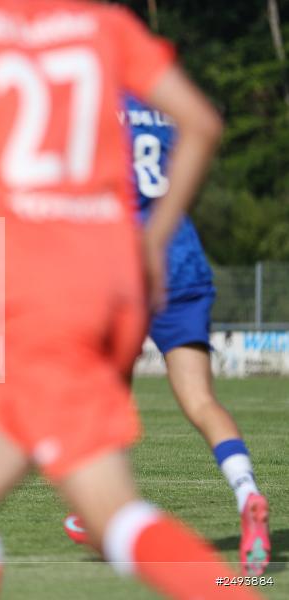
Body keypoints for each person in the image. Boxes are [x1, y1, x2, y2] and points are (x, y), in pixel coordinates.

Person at [0, 1, 262, 598]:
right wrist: (155, 237)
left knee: (111, 513)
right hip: (115, 281)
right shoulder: (103, 24)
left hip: (48, 297)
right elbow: (201, 123)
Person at [63, 94, 270, 576]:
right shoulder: (167, 107)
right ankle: (247, 491)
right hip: (183, 261)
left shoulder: (91, 102)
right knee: (201, 401)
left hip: (127, 266)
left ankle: (100, 509)